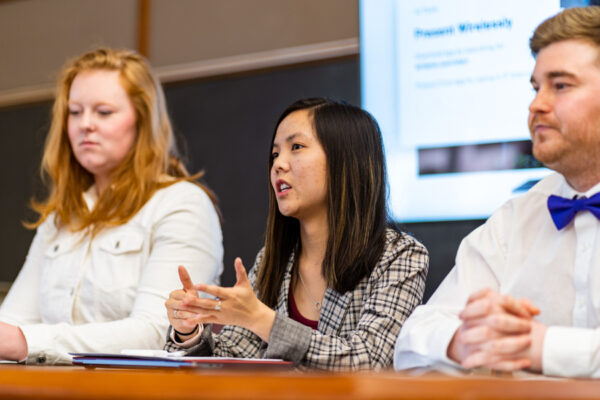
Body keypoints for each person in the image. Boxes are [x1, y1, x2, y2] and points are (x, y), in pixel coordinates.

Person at [394, 6, 600, 378]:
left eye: (561, 85)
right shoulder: (517, 216)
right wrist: (465, 340)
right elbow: (413, 339)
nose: (536, 104)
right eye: (537, 87)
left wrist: (540, 346)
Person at [164, 98, 428, 370]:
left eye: (297, 147)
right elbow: (235, 357)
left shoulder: (401, 255)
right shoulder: (273, 258)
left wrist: (261, 320)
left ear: (346, 159)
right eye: (275, 154)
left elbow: (369, 360)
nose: (278, 164)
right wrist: (189, 331)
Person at [0, 48, 223, 364]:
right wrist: (17, 339)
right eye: (75, 112)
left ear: (142, 121)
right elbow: (11, 323)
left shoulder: (182, 205)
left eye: (103, 112)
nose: (85, 124)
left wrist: (26, 341)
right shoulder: (61, 217)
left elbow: (156, 333)